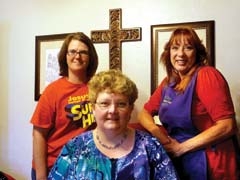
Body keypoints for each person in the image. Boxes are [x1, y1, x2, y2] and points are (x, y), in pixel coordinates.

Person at [138, 27, 240, 180]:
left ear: (197, 54)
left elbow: (227, 125)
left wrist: (180, 148)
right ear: (169, 53)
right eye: (175, 48)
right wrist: (157, 132)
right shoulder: (169, 82)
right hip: (181, 156)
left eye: (188, 48)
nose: (180, 54)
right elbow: (144, 112)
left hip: (211, 161)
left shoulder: (207, 75)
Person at [48, 69, 179, 180]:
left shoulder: (150, 147)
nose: (112, 111)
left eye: (121, 104)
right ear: (93, 108)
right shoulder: (74, 148)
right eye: (104, 103)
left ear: (130, 110)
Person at [30, 32, 98, 180]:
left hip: (85, 167)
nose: (77, 56)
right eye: (72, 51)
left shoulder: (97, 87)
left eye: (83, 52)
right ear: (65, 56)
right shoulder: (52, 91)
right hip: (54, 167)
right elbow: (38, 134)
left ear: (90, 56)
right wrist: (41, 176)